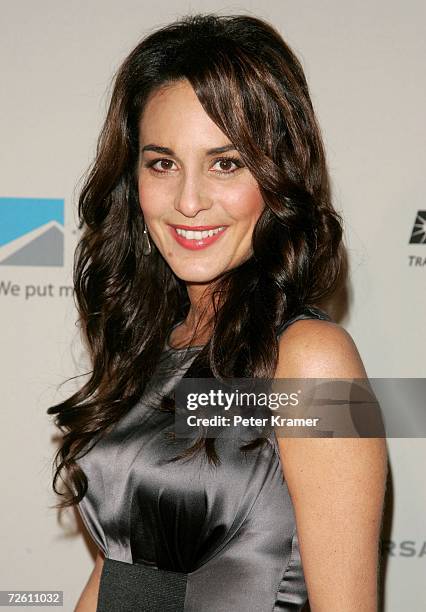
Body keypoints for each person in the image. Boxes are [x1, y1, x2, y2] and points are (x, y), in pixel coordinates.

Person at [47, 13, 388, 612]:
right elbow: (120, 574)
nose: (189, 200)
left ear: (278, 176)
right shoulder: (147, 342)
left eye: (226, 163)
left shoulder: (313, 361)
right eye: (162, 163)